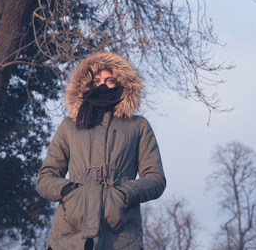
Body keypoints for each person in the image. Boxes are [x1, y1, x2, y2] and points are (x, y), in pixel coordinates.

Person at [36, 52, 166, 250]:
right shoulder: (70, 126)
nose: (102, 86)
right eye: (96, 81)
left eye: (109, 80)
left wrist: (123, 194)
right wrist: (71, 192)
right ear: (87, 85)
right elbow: (45, 178)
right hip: (70, 235)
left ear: (122, 83)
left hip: (121, 236)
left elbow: (156, 178)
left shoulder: (137, 126)